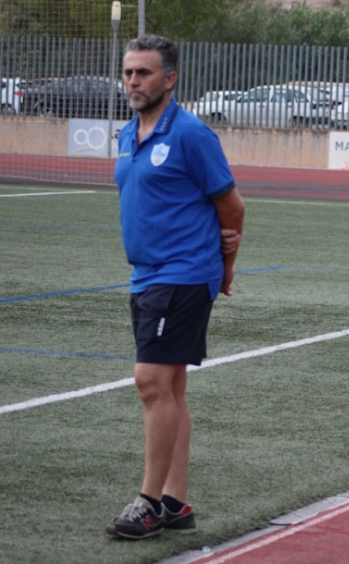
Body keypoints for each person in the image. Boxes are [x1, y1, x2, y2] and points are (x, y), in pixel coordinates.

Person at [106, 34, 245, 540]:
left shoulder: (191, 135)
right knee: (171, 388)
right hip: (145, 275)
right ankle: (176, 504)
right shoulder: (127, 133)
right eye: (128, 73)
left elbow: (232, 208)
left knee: (150, 381)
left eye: (143, 73)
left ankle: (146, 502)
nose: (134, 82)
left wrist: (224, 270)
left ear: (170, 78)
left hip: (184, 274)